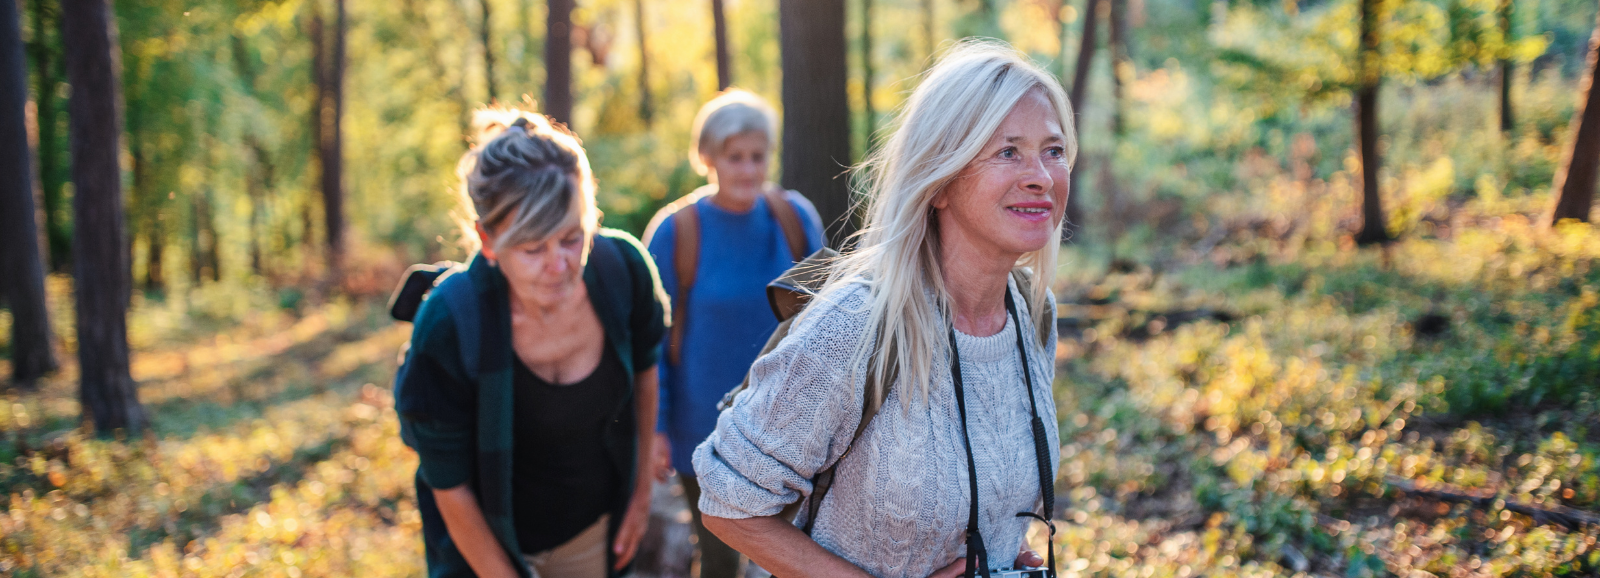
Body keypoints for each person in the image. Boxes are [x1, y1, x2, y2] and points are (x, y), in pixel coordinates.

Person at [691, 41, 1072, 578]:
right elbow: (728, 501)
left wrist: (1001, 553)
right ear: (939, 180)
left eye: (1053, 150)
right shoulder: (857, 324)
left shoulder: (1033, 313)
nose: (1041, 175)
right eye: (1007, 151)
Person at [394, 107, 668, 578]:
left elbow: (646, 376)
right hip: (480, 546)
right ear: (488, 240)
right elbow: (449, 486)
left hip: (592, 535)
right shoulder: (449, 322)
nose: (559, 264)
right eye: (533, 249)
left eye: (570, 237)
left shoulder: (623, 272)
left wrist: (641, 495)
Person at [642, 89, 827, 578]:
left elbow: (831, 320)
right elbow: (651, 342)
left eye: (757, 157)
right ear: (708, 157)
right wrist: (655, 426)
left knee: (791, 556)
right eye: (734, 157)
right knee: (722, 559)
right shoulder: (676, 232)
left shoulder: (794, 219)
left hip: (788, 424)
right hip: (700, 430)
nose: (748, 169)